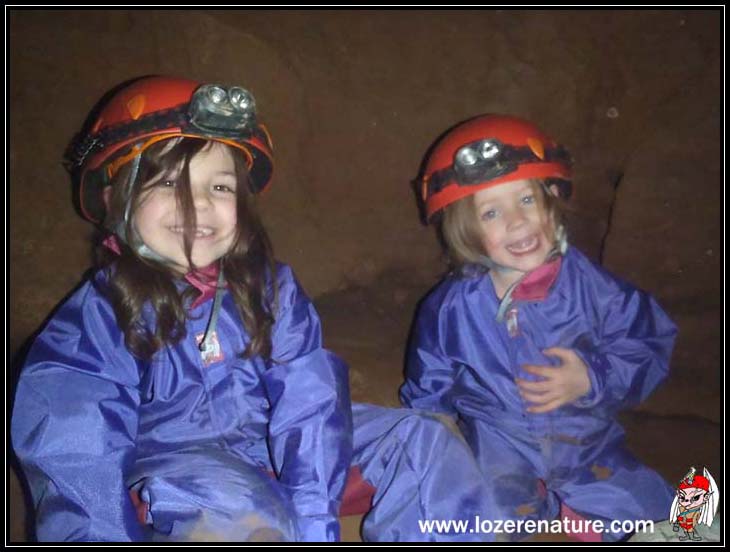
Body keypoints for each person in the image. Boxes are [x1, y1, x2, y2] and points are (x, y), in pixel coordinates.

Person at [11, 76, 492, 542]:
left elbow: (309, 403)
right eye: (167, 183)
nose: (197, 204)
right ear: (116, 198)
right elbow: (75, 452)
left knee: (423, 440)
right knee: (244, 513)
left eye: (219, 187)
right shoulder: (99, 313)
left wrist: (314, 519)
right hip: (176, 471)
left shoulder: (272, 288)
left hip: (266, 445)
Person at [400, 114, 678, 541]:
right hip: (500, 448)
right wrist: (434, 432)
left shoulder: (593, 288)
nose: (516, 221)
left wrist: (594, 375)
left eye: (527, 200)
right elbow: (430, 377)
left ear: (551, 200)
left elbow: (648, 341)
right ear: (465, 230)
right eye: (491, 212)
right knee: (456, 515)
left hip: (589, 444)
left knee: (665, 514)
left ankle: (583, 511)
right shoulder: (450, 308)